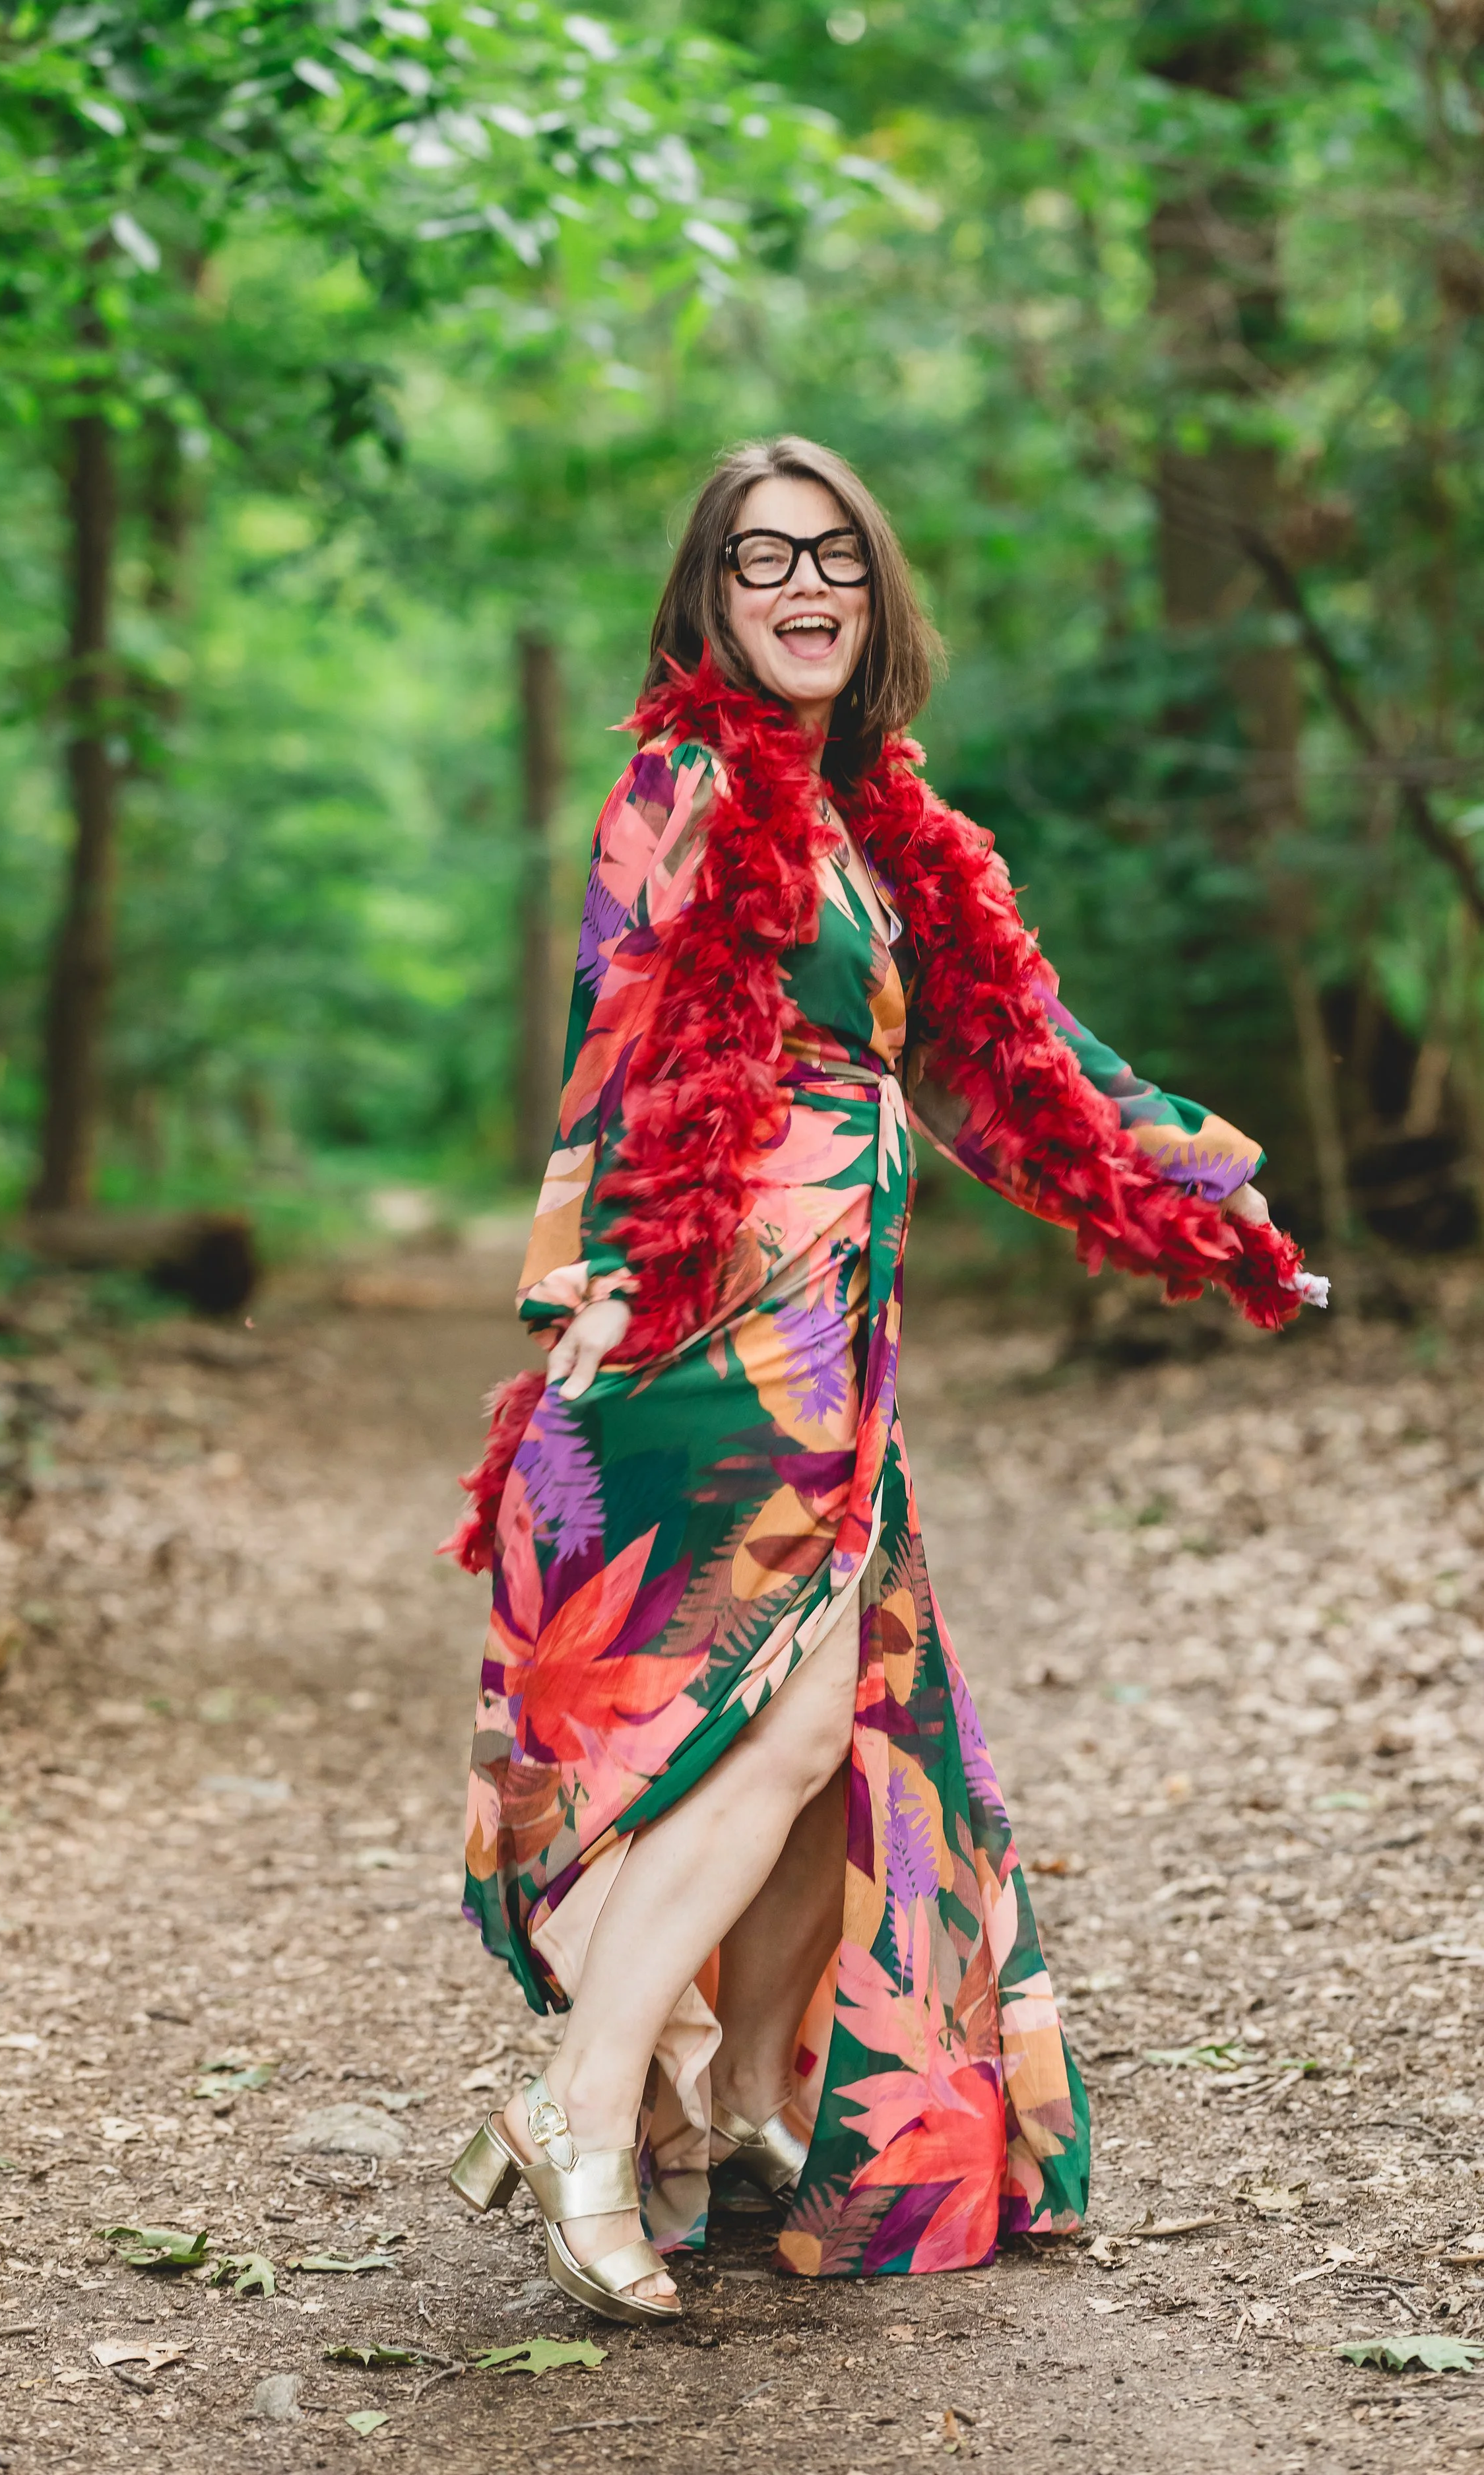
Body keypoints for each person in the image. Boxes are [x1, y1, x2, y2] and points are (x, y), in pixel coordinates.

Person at [442, 436, 1322, 2325]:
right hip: (712, 1319)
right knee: (764, 1725)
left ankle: (730, 2106)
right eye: (762, 558)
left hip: (835, 1329)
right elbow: (623, 1020)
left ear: (876, 591)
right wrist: (583, 1272)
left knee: (829, 1729)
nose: (804, 586)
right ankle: (583, 2105)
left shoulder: (882, 828)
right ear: (709, 598)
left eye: (833, 554)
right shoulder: (685, 783)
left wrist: (1202, 1181)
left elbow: (1018, 1060)